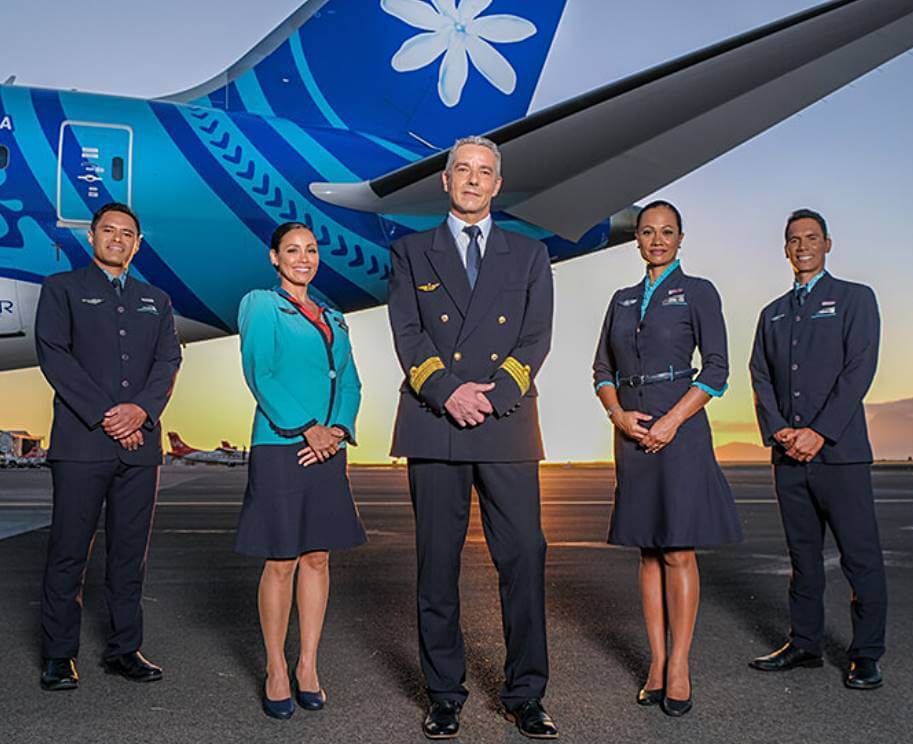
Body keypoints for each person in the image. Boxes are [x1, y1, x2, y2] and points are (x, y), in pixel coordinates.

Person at [387, 136, 557, 740]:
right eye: (463, 170)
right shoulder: (410, 252)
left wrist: (493, 395)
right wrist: (449, 391)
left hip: (505, 422)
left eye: (485, 171)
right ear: (446, 181)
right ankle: (443, 693)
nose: (473, 180)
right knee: (438, 565)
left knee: (524, 559)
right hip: (436, 423)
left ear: (497, 183)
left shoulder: (530, 253)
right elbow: (408, 336)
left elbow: (535, 338)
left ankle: (527, 693)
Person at [592, 200, 742, 717]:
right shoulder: (622, 299)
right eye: (648, 231)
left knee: (678, 549)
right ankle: (655, 662)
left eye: (667, 232)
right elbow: (601, 370)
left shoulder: (698, 292)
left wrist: (672, 421)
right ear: (636, 239)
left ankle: (679, 665)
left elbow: (717, 370)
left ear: (681, 238)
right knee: (647, 550)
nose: (657, 239)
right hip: (632, 431)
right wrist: (618, 416)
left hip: (680, 431)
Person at [35, 202, 182, 690]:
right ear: (93, 236)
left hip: (140, 448)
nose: (118, 238)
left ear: (137, 244)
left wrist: (140, 411)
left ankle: (124, 649)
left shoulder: (156, 300)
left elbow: (168, 362)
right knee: (68, 553)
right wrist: (107, 415)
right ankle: (59, 656)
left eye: (128, 233)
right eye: (109, 230)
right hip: (81, 445)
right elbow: (54, 356)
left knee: (129, 555)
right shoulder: (62, 290)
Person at [748, 209, 887, 689]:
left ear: (828, 243)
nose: (802, 245)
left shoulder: (854, 299)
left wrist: (820, 432)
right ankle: (804, 643)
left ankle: (866, 654)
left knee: (859, 557)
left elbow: (858, 371)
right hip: (789, 458)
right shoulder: (773, 314)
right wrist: (780, 430)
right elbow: (760, 376)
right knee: (803, 558)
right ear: (785, 249)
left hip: (840, 455)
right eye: (793, 239)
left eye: (811, 237)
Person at [236, 222, 366, 720]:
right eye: (292, 250)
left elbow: (351, 380)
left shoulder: (333, 315)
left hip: (328, 448)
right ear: (275, 257)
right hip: (281, 445)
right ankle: (275, 667)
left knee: (317, 559)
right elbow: (259, 372)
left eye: (311, 250)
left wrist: (336, 430)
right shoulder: (261, 304)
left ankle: (308, 664)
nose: (303, 258)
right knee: (282, 560)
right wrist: (307, 428)